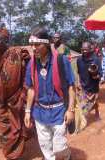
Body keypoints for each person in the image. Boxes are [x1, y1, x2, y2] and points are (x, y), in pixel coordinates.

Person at [24, 26, 75, 160]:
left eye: (37, 45)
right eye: (31, 45)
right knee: (46, 147)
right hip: (40, 112)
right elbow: (31, 89)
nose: (33, 48)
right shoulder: (32, 64)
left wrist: (70, 110)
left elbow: (71, 87)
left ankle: (66, 154)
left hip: (59, 111)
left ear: (46, 44)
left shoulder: (61, 60)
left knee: (59, 148)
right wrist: (28, 111)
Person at [0, 27, 30, 160]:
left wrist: (24, 93)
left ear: (6, 40)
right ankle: (10, 153)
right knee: (4, 128)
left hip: (16, 99)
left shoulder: (17, 53)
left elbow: (26, 76)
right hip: (0, 100)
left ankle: (16, 154)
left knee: (17, 127)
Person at [76, 42, 102, 132]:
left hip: (93, 86)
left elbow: (100, 74)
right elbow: (79, 72)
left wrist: (95, 75)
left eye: (86, 49)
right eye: (83, 49)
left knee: (93, 101)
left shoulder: (96, 60)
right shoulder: (79, 60)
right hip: (83, 86)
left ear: (90, 49)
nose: (84, 51)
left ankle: (97, 111)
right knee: (83, 105)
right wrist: (78, 82)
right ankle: (82, 122)